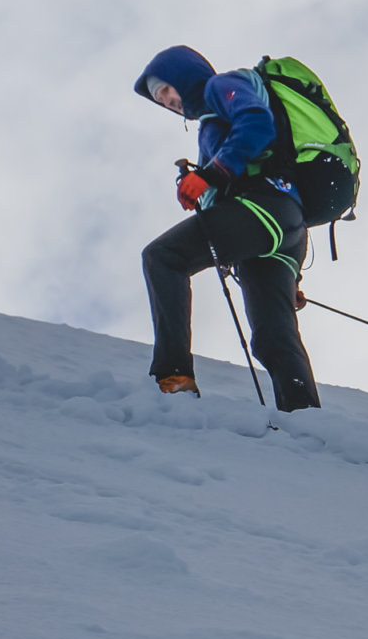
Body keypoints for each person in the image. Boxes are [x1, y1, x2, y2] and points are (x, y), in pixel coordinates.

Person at [134, 46, 320, 410]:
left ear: (183, 75)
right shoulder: (211, 123)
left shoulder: (221, 85)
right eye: (160, 99)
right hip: (283, 228)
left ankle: (174, 381)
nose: (168, 101)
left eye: (167, 89)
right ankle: (304, 419)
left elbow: (257, 122)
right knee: (272, 335)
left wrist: (209, 174)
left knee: (164, 257)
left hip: (265, 207)